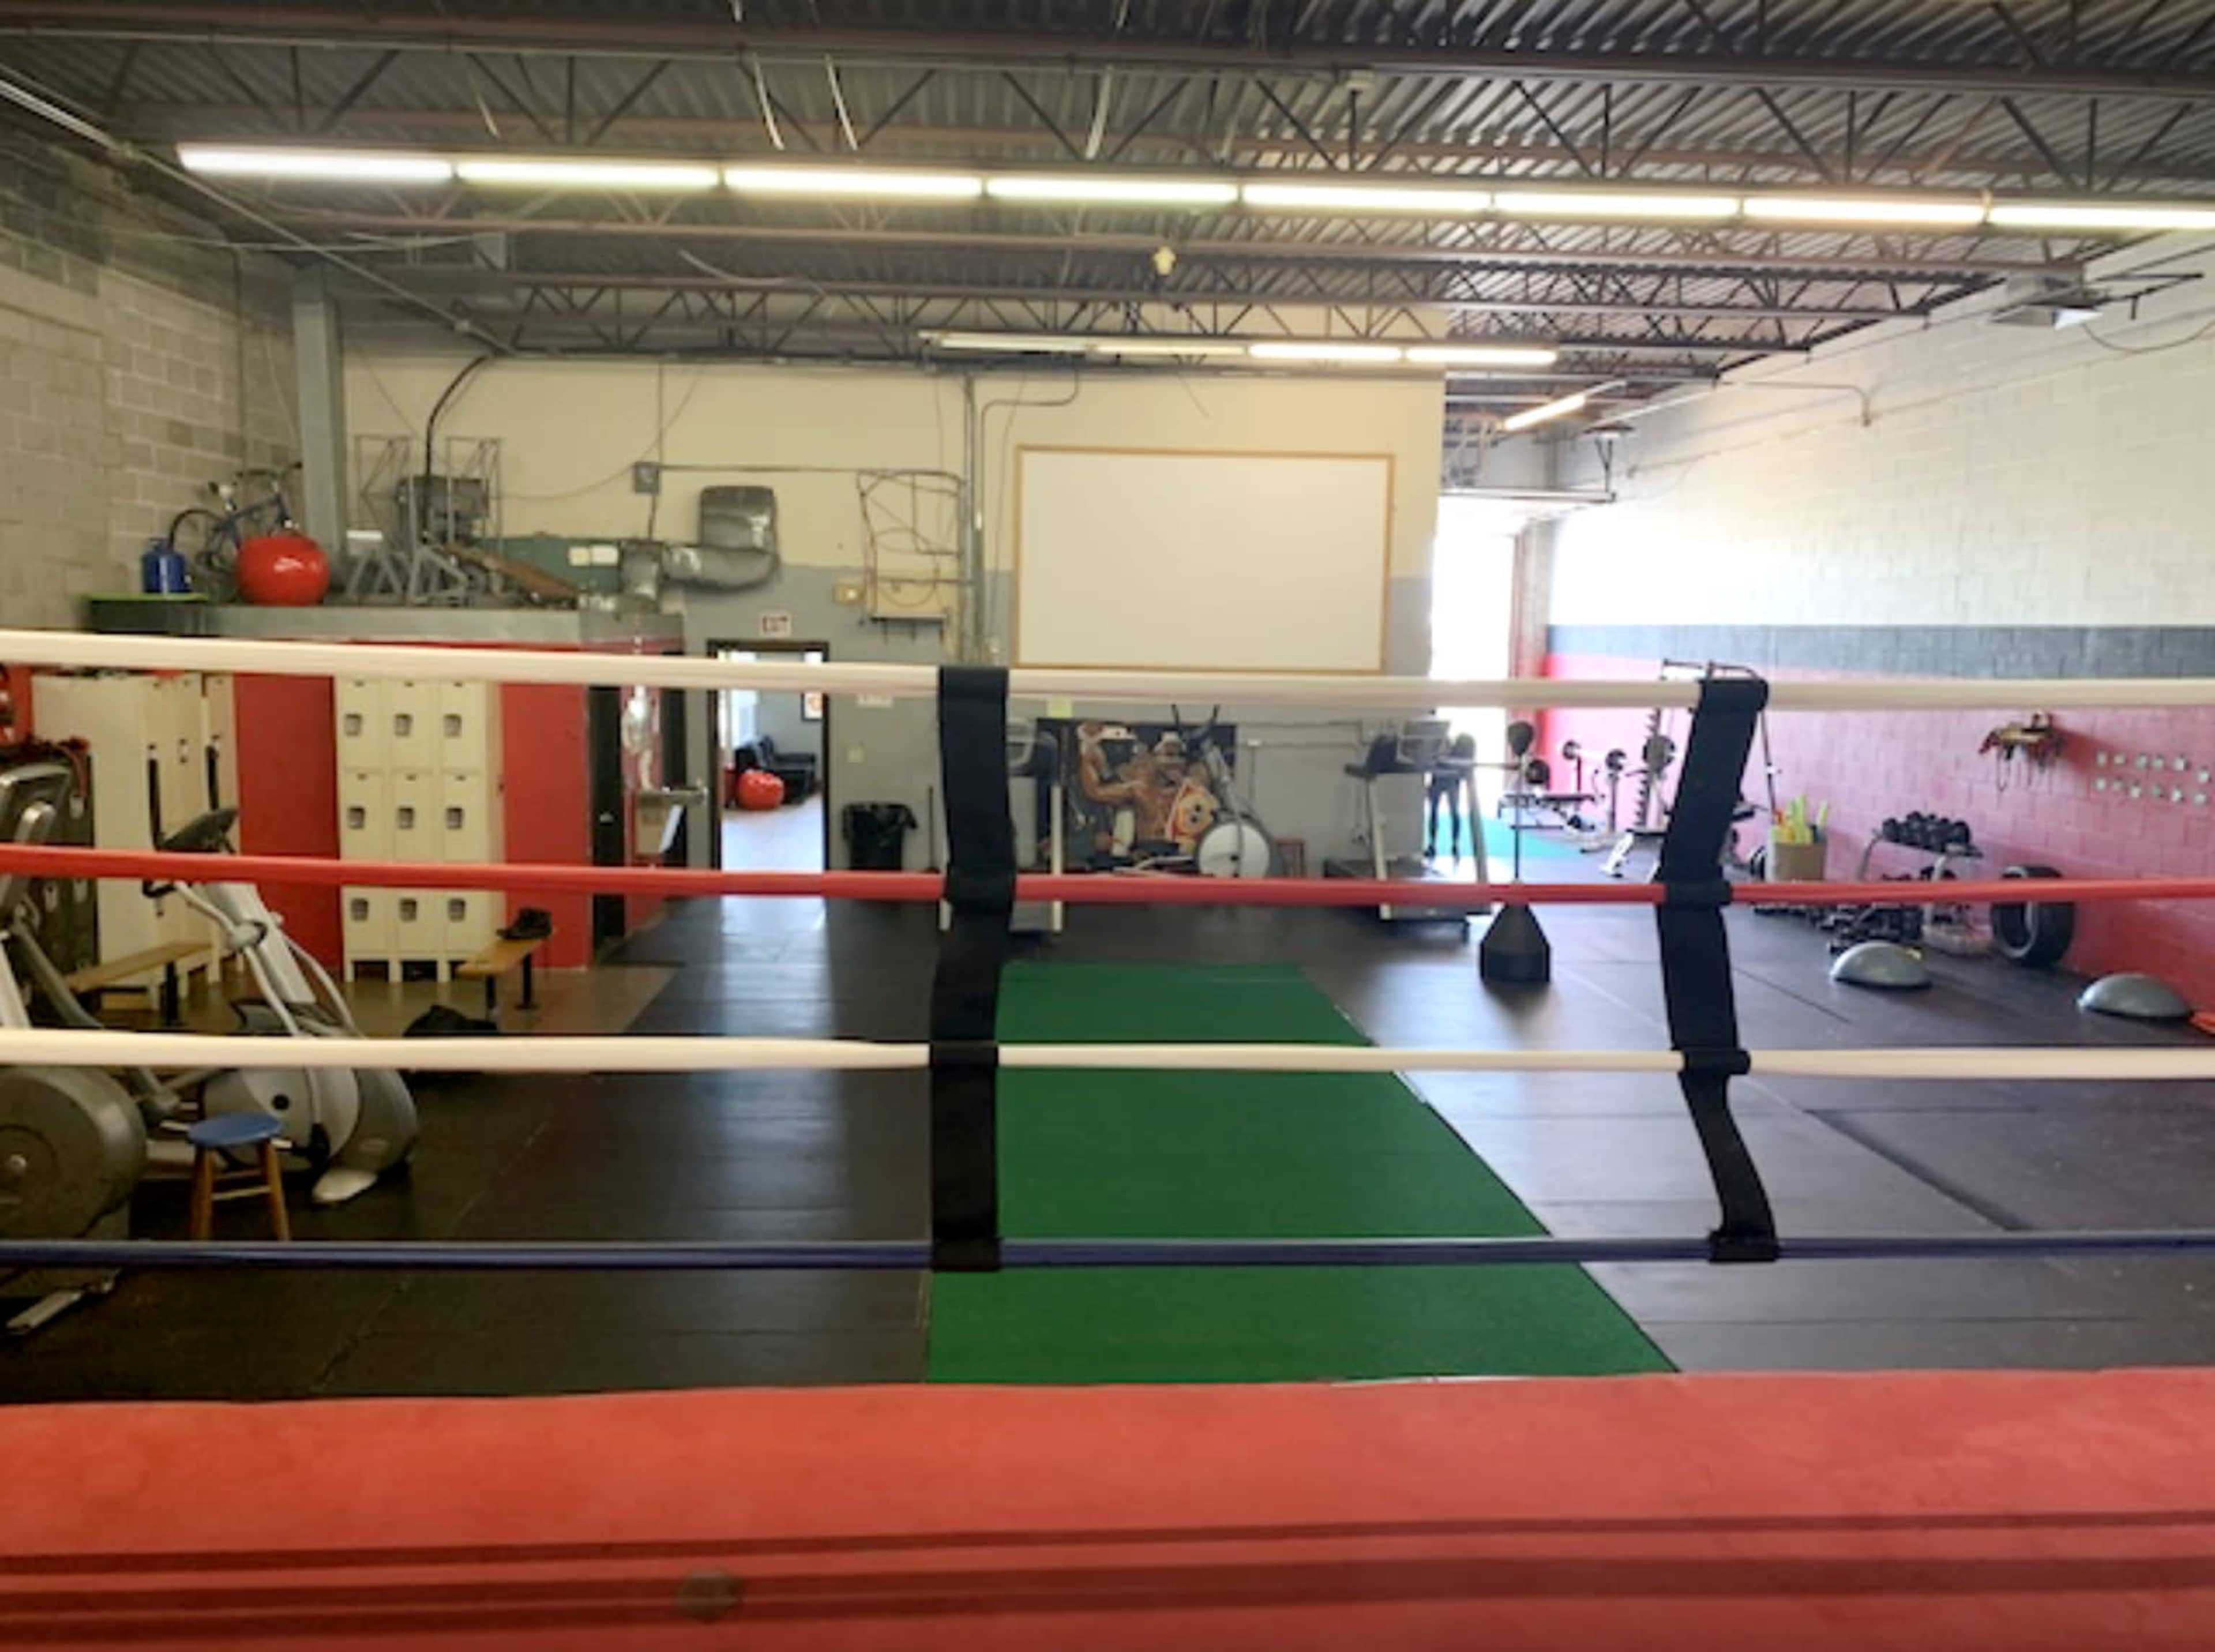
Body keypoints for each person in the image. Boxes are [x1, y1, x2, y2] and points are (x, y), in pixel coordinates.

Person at [1426, 732, 1477, 860]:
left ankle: (1454, 844)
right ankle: (1433, 844)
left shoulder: (1455, 748)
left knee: (1453, 813)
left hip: (1450, 780)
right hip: (1440, 780)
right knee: (1435, 812)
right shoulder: (1435, 745)